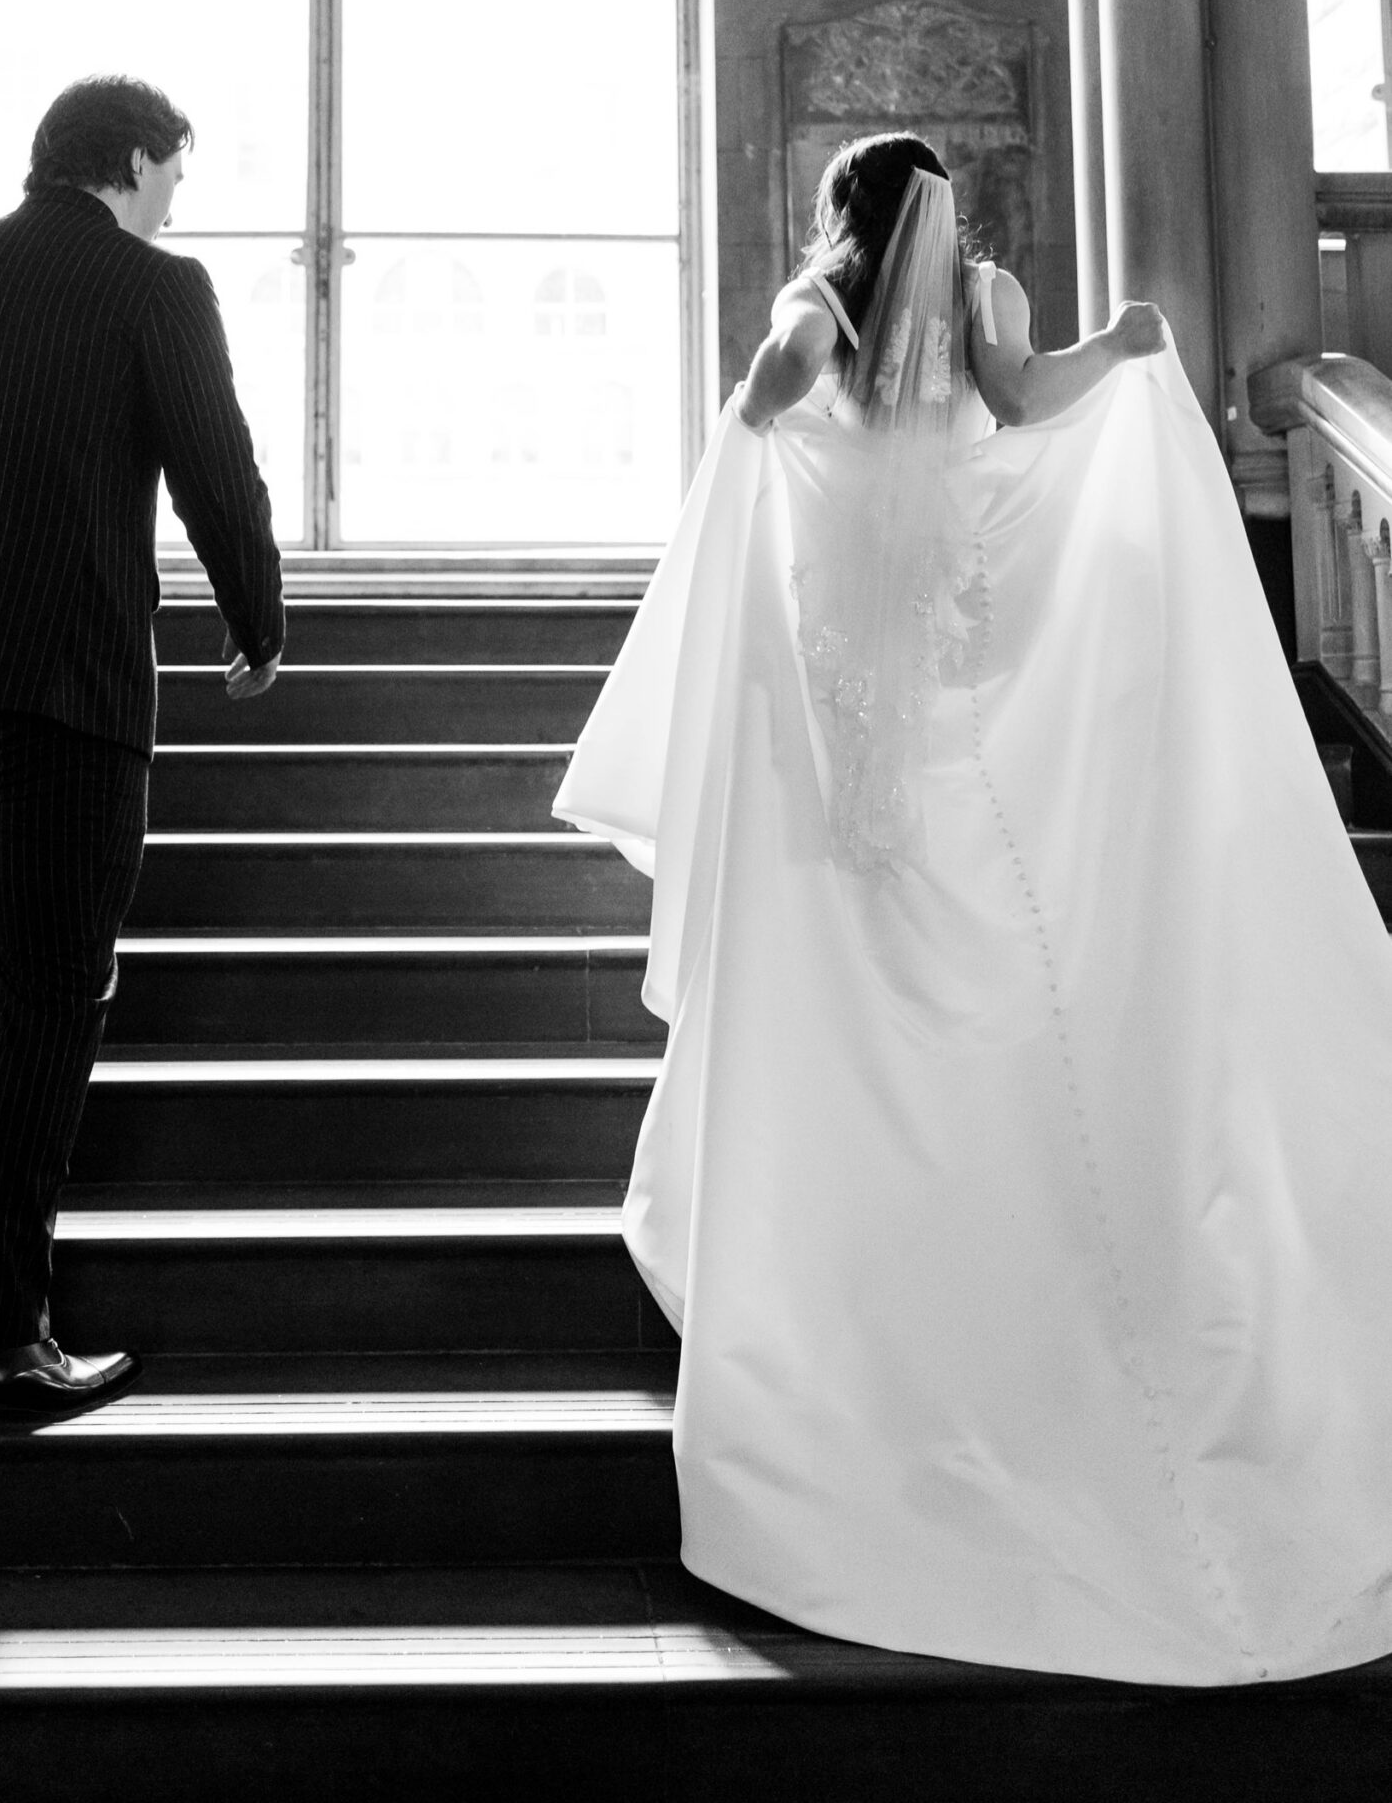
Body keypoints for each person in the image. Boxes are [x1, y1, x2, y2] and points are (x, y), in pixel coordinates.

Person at [555, 130, 1392, 1686]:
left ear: (842, 213)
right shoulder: (989, 291)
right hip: (942, 627)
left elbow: (760, 405)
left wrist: (819, 415)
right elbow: (1027, 400)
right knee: (991, 865)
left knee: (861, 896)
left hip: (841, 658)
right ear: (945, 213)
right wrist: (1130, 344)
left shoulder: (820, 299)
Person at [0, 74, 285, 1434]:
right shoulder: (156, 287)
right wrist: (255, 618)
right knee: (62, 978)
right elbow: (216, 465)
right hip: (67, 677)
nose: (175, 200)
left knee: (33, 929)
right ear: (136, 159)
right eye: (175, 174)